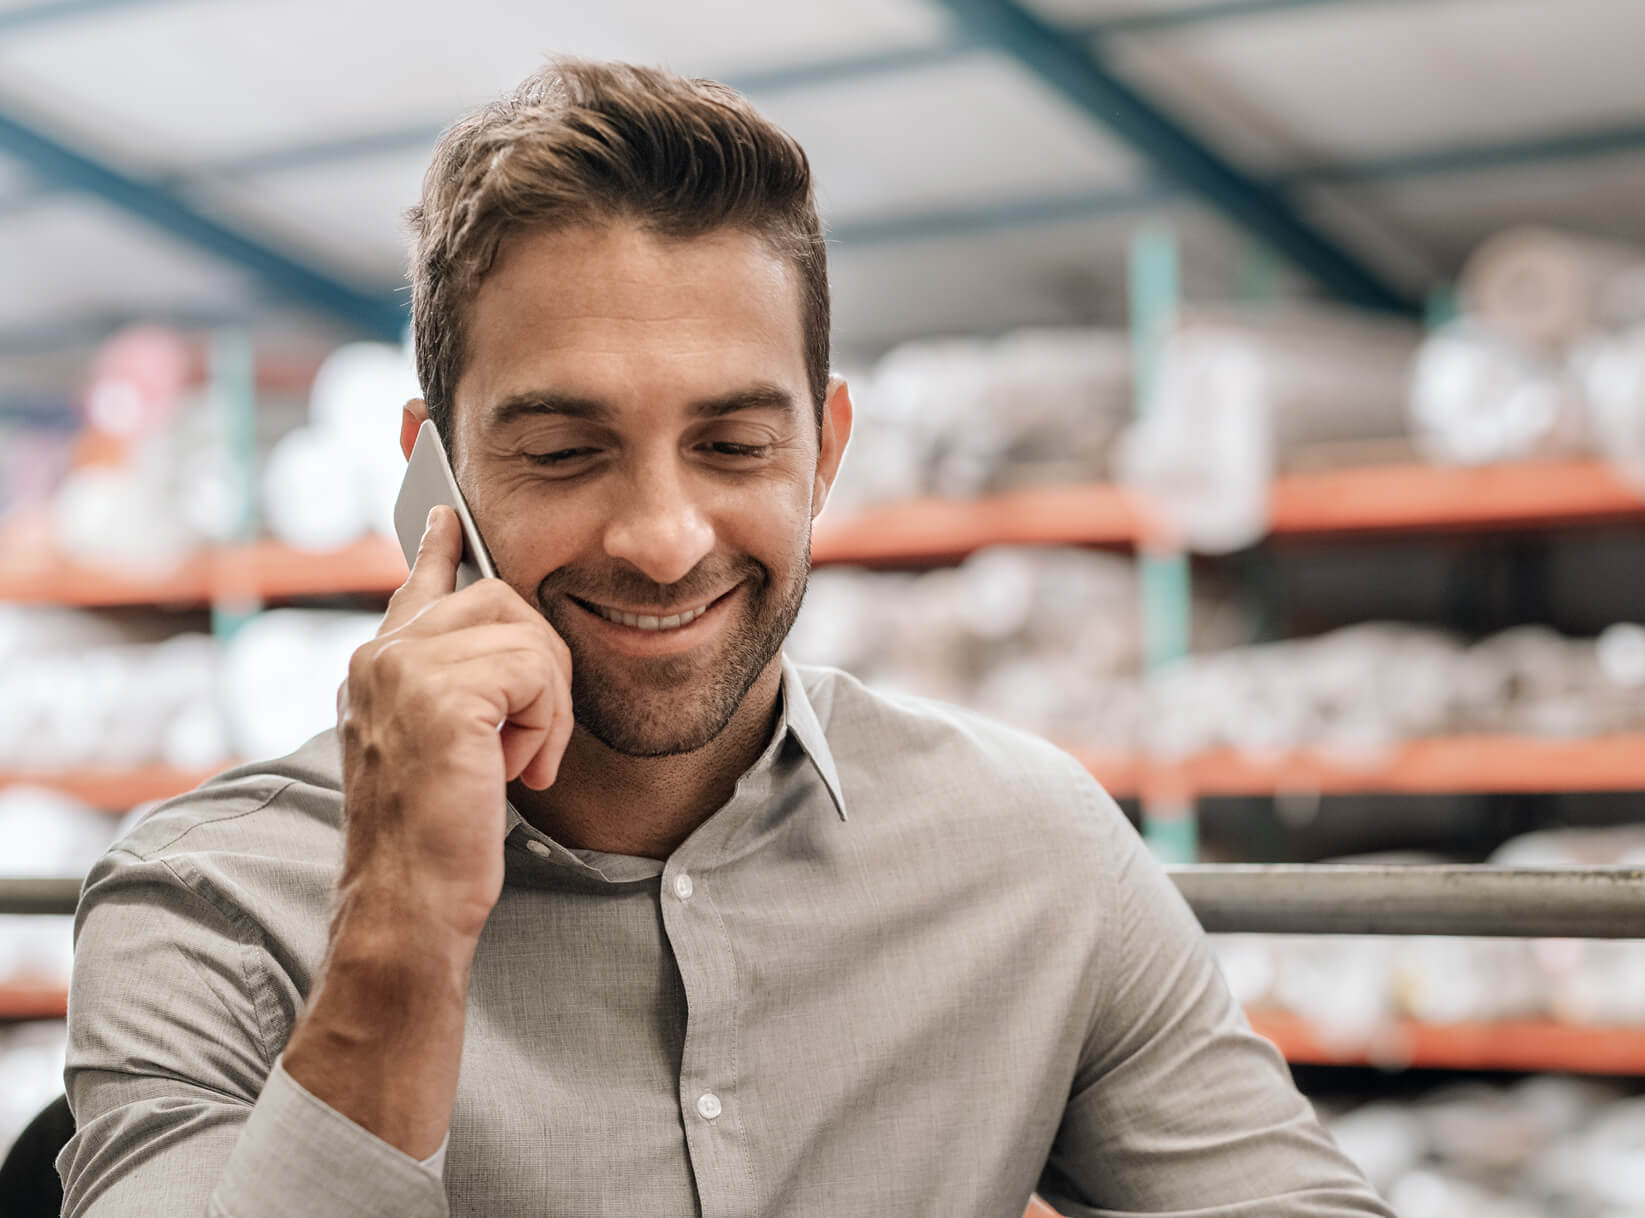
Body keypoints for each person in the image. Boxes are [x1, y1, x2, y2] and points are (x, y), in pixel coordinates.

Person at [56, 59, 1391, 1217]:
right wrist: (398, 923)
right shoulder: (208, 907)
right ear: (433, 473)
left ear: (825, 456)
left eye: (735, 445)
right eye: (568, 449)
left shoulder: (1034, 850)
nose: (662, 536)